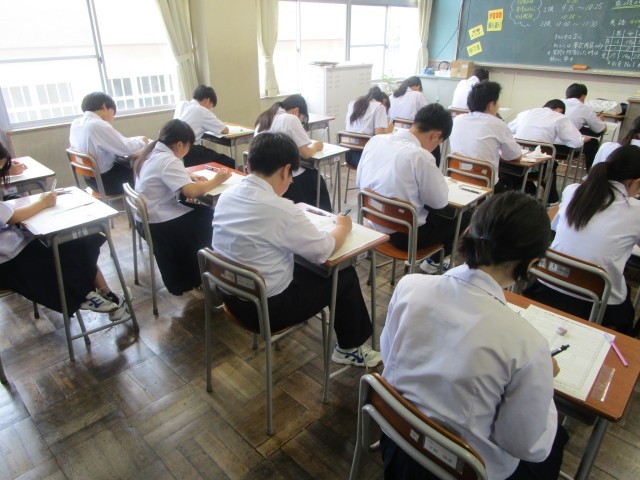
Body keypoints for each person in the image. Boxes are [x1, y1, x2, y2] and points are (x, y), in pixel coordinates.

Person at [380, 191, 567, 480]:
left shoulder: (409, 286)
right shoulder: (528, 345)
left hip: (398, 439)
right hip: (462, 469)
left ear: (469, 232)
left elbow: (388, 356)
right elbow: (525, 445)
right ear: (531, 263)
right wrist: (543, 380)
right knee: (555, 445)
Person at [212, 132, 381, 367]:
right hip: (267, 311)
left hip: (232, 296)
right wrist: (342, 227)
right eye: (291, 174)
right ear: (285, 170)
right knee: (344, 275)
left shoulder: (226, 195)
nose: (291, 181)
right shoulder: (281, 209)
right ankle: (349, 348)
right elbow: (325, 250)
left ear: (248, 164)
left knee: (303, 263)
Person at [0, 142, 128, 319]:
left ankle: (102, 294)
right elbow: (12, 217)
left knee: (79, 241)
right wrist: (42, 203)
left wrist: (10, 169)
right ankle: (85, 295)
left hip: (14, 245)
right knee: (74, 249)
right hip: (9, 261)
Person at [524, 145, 640, 334]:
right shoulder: (635, 211)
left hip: (546, 286)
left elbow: (554, 226)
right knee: (624, 301)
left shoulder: (573, 191)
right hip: (597, 307)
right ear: (635, 182)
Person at [356, 103, 460, 273]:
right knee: (464, 216)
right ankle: (433, 262)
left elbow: (359, 182)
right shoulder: (420, 156)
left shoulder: (375, 140)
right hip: (405, 237)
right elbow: (439, 203)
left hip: (373, 222)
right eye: (439, 143)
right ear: (436, 135)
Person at [133, 119, 231, 296]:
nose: (188, 150)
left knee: (205, 214)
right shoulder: (168, 161)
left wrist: (188, 174)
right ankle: (201, 275)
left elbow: (168, 174)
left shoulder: (152, 151)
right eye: (188, 146)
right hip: (160, 222)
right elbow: (190, 192)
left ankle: (200, 271)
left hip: (146, 218)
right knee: (213, 221)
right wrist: (217, 180)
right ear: (179, 144)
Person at [255, 95, 332, 211]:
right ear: (296, 111)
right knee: (315, 177)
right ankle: (325, 216)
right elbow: (306, 154)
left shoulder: (264, 118)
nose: (301, 122)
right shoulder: (291, 119)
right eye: (302, 119)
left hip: (265, 175)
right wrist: (316, 146)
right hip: (286, 177)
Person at [69, 92, 149, 195]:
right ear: (104, 106)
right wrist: (142, 141)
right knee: (148, 170)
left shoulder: (76, 123)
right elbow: (127, 148)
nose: (113, 117)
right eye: (113, 113)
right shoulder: (98, 125)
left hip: (91, 181)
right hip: (108, 182)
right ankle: (145, 203)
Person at [449, 81, 522, 192]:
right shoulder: (498, 124)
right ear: (491, 105)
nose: (498, 105)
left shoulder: (457, 120)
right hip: (484, 185)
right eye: (497, 102)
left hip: (457, 179)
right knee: (514, 180)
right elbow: (514, 156)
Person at [508, 99, 584, 204]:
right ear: (559, 110)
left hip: (513, 163)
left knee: (549, 162)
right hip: (537, 168)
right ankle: (552, 200)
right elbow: (576, 142)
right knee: (552, 164)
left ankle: (533, 193)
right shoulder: (560, 117)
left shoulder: (525, 113)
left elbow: (508, 131)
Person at [173, 84, 235, 169]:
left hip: (175, 149)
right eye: (211, 106)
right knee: (231, 162)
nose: (209, 109)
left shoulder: (182, 104)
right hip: (191, 152)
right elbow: (225, 130)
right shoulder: (202, 110)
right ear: (208, 100)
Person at [344, 86, 393, 167]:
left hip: (349, 156)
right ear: (381, 100)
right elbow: (379, 135)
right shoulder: (379, 106)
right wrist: (388, 130)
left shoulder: (353, 103)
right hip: (366, 157)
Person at [564, 83, 606, 171]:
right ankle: (590, 173)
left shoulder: (557, 103)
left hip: (548, 145)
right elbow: (600, 129)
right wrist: (601, 121)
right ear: (583, 97)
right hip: (567, 147)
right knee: (593, 142)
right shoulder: (584, 108)